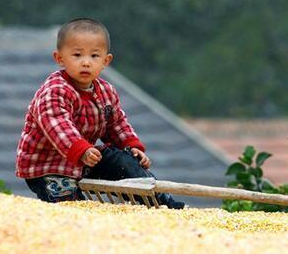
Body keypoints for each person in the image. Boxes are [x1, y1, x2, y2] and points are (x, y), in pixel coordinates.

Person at [16, 18, 184, 208]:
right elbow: (57, 124)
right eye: (77, 55)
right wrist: (82, 150)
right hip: (49, 165)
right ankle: (76, 210)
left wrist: (131, 145)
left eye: (94, 56)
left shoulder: (106, 91)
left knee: (124, 161)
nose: (86, 62)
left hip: (86, 159)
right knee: (68, 201)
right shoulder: (55, 90)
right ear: (60, 58)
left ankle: (160, 202)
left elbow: (116, 123)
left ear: (106, 61)